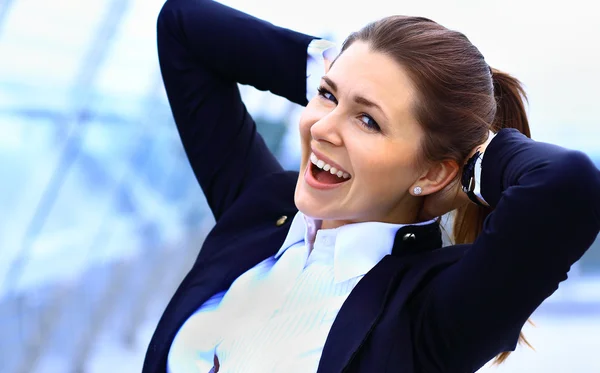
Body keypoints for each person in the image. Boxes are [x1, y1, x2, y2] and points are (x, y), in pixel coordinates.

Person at [143, 0, 600, 372]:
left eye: (368, 121)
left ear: (432, 173)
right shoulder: (261, 211)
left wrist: (470, 151)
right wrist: (340, 73)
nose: (322, 129)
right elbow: (185, 25)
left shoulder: (426, 314)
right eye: (326, 96)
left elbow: (567, 186)